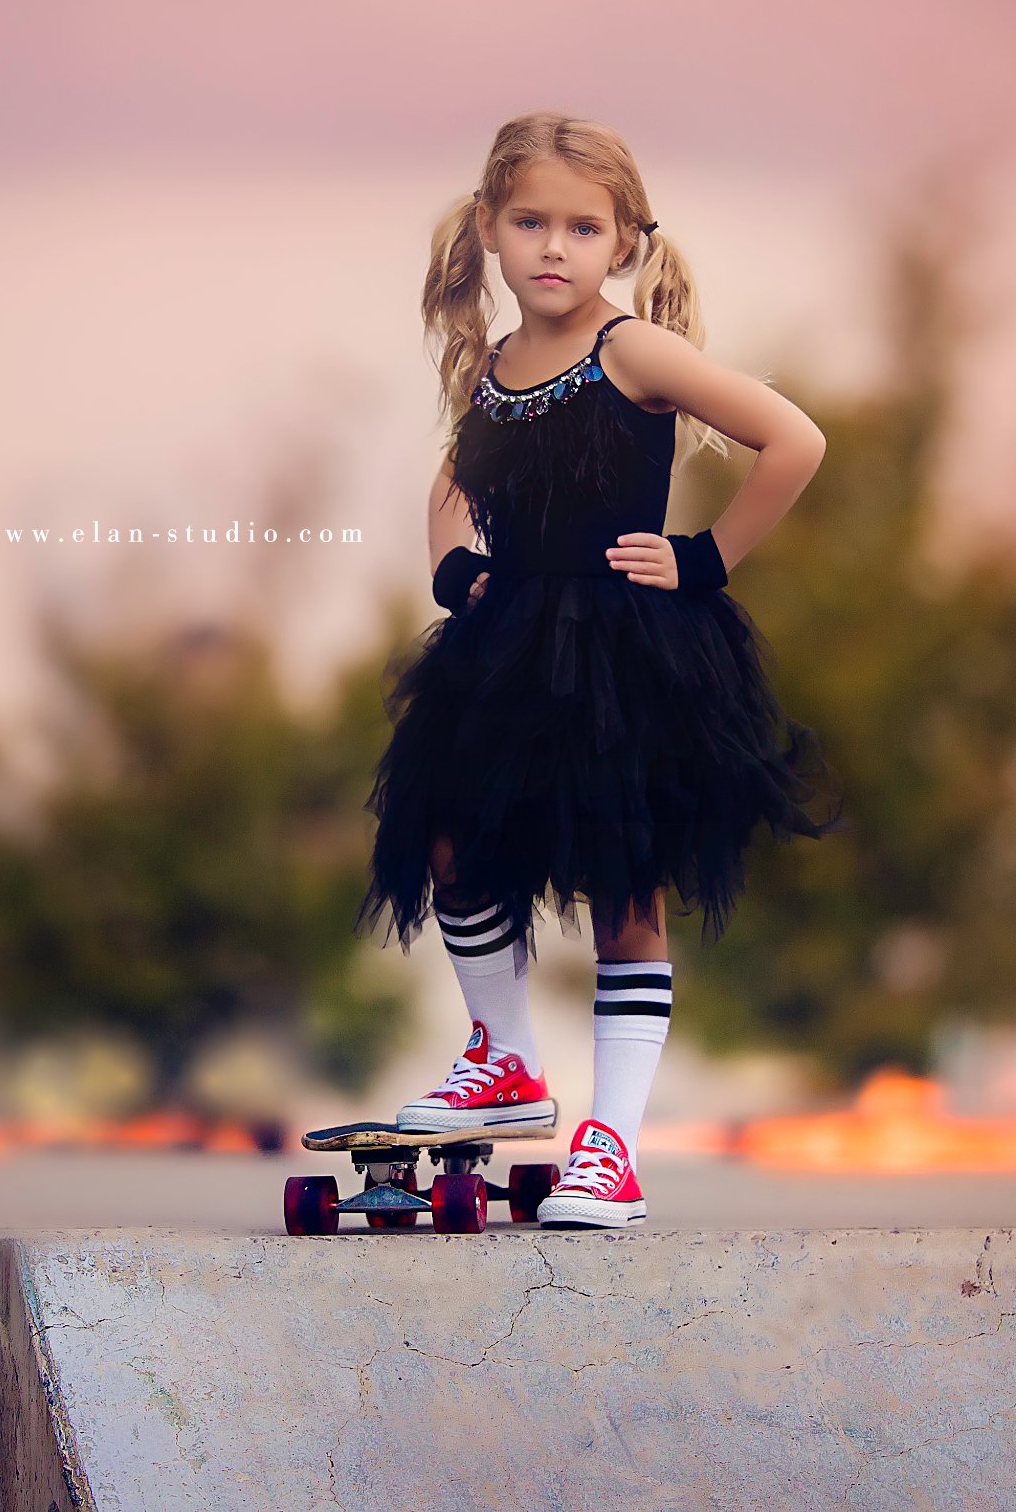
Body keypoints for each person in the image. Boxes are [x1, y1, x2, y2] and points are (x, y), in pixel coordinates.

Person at [357, 111, 840, 1228]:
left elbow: (795, 438)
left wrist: (706, 555)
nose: (554, 247)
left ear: (622, 241)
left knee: (626, 887)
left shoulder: (633, 352)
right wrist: (451, 575)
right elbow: (449, 490)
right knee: (446, 838)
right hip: (504, 653)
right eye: (530, 221)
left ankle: (610, 1145)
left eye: (583, 225)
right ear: (488, 227)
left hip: (626, 658)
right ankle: (507, 1059)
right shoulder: (493, 367)